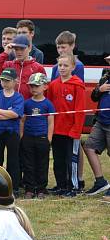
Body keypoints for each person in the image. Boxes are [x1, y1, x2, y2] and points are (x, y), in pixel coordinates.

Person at [46, 53, 86, 197]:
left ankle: (74, 187)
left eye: (65, 65)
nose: (62, 68)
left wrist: (76, 130)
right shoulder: (53, 85)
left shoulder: (78, 85)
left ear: (73, 67)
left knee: (72, 160)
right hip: (57, 130)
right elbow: (49, 107)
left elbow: (80, 110)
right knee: (58, 160)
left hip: (70, 131)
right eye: (60, 65)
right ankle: (61, 185)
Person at [0, 68, 24, 194]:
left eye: (7, 81)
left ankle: (14, 187)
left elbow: (15, 114)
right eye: (2, 80)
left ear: (15, 82)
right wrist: (6, 113)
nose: (4, 83)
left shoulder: (18, 97)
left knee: (13, 159)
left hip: (12, 132)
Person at [20, 73, 54, 199]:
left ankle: (41, 188)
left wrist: (48, 138)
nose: (33, 89)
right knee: (28, 163)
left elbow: (51, 122)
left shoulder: (48, 104)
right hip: (28, 138)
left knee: (42, 164)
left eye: (36, 86)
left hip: (42, 138)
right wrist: (22, 136)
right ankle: (29, 188)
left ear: (45, 87)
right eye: (31, 86)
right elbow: (22, 121)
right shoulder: (26, 104)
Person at [0, 35, 46, 100]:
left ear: (29, 48)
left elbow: (44, 90)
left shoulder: (38, 67)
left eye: (22, 49)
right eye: (16, 49)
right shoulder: (8, 65)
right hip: (10, 105)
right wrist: (5, 53)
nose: (19, 52)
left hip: (29, 106)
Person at [84, 59, 110, 199]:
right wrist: (99, 90)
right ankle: (100, 182)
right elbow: (93, 97)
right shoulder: (104, 77)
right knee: (89, 147)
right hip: (101, 120)